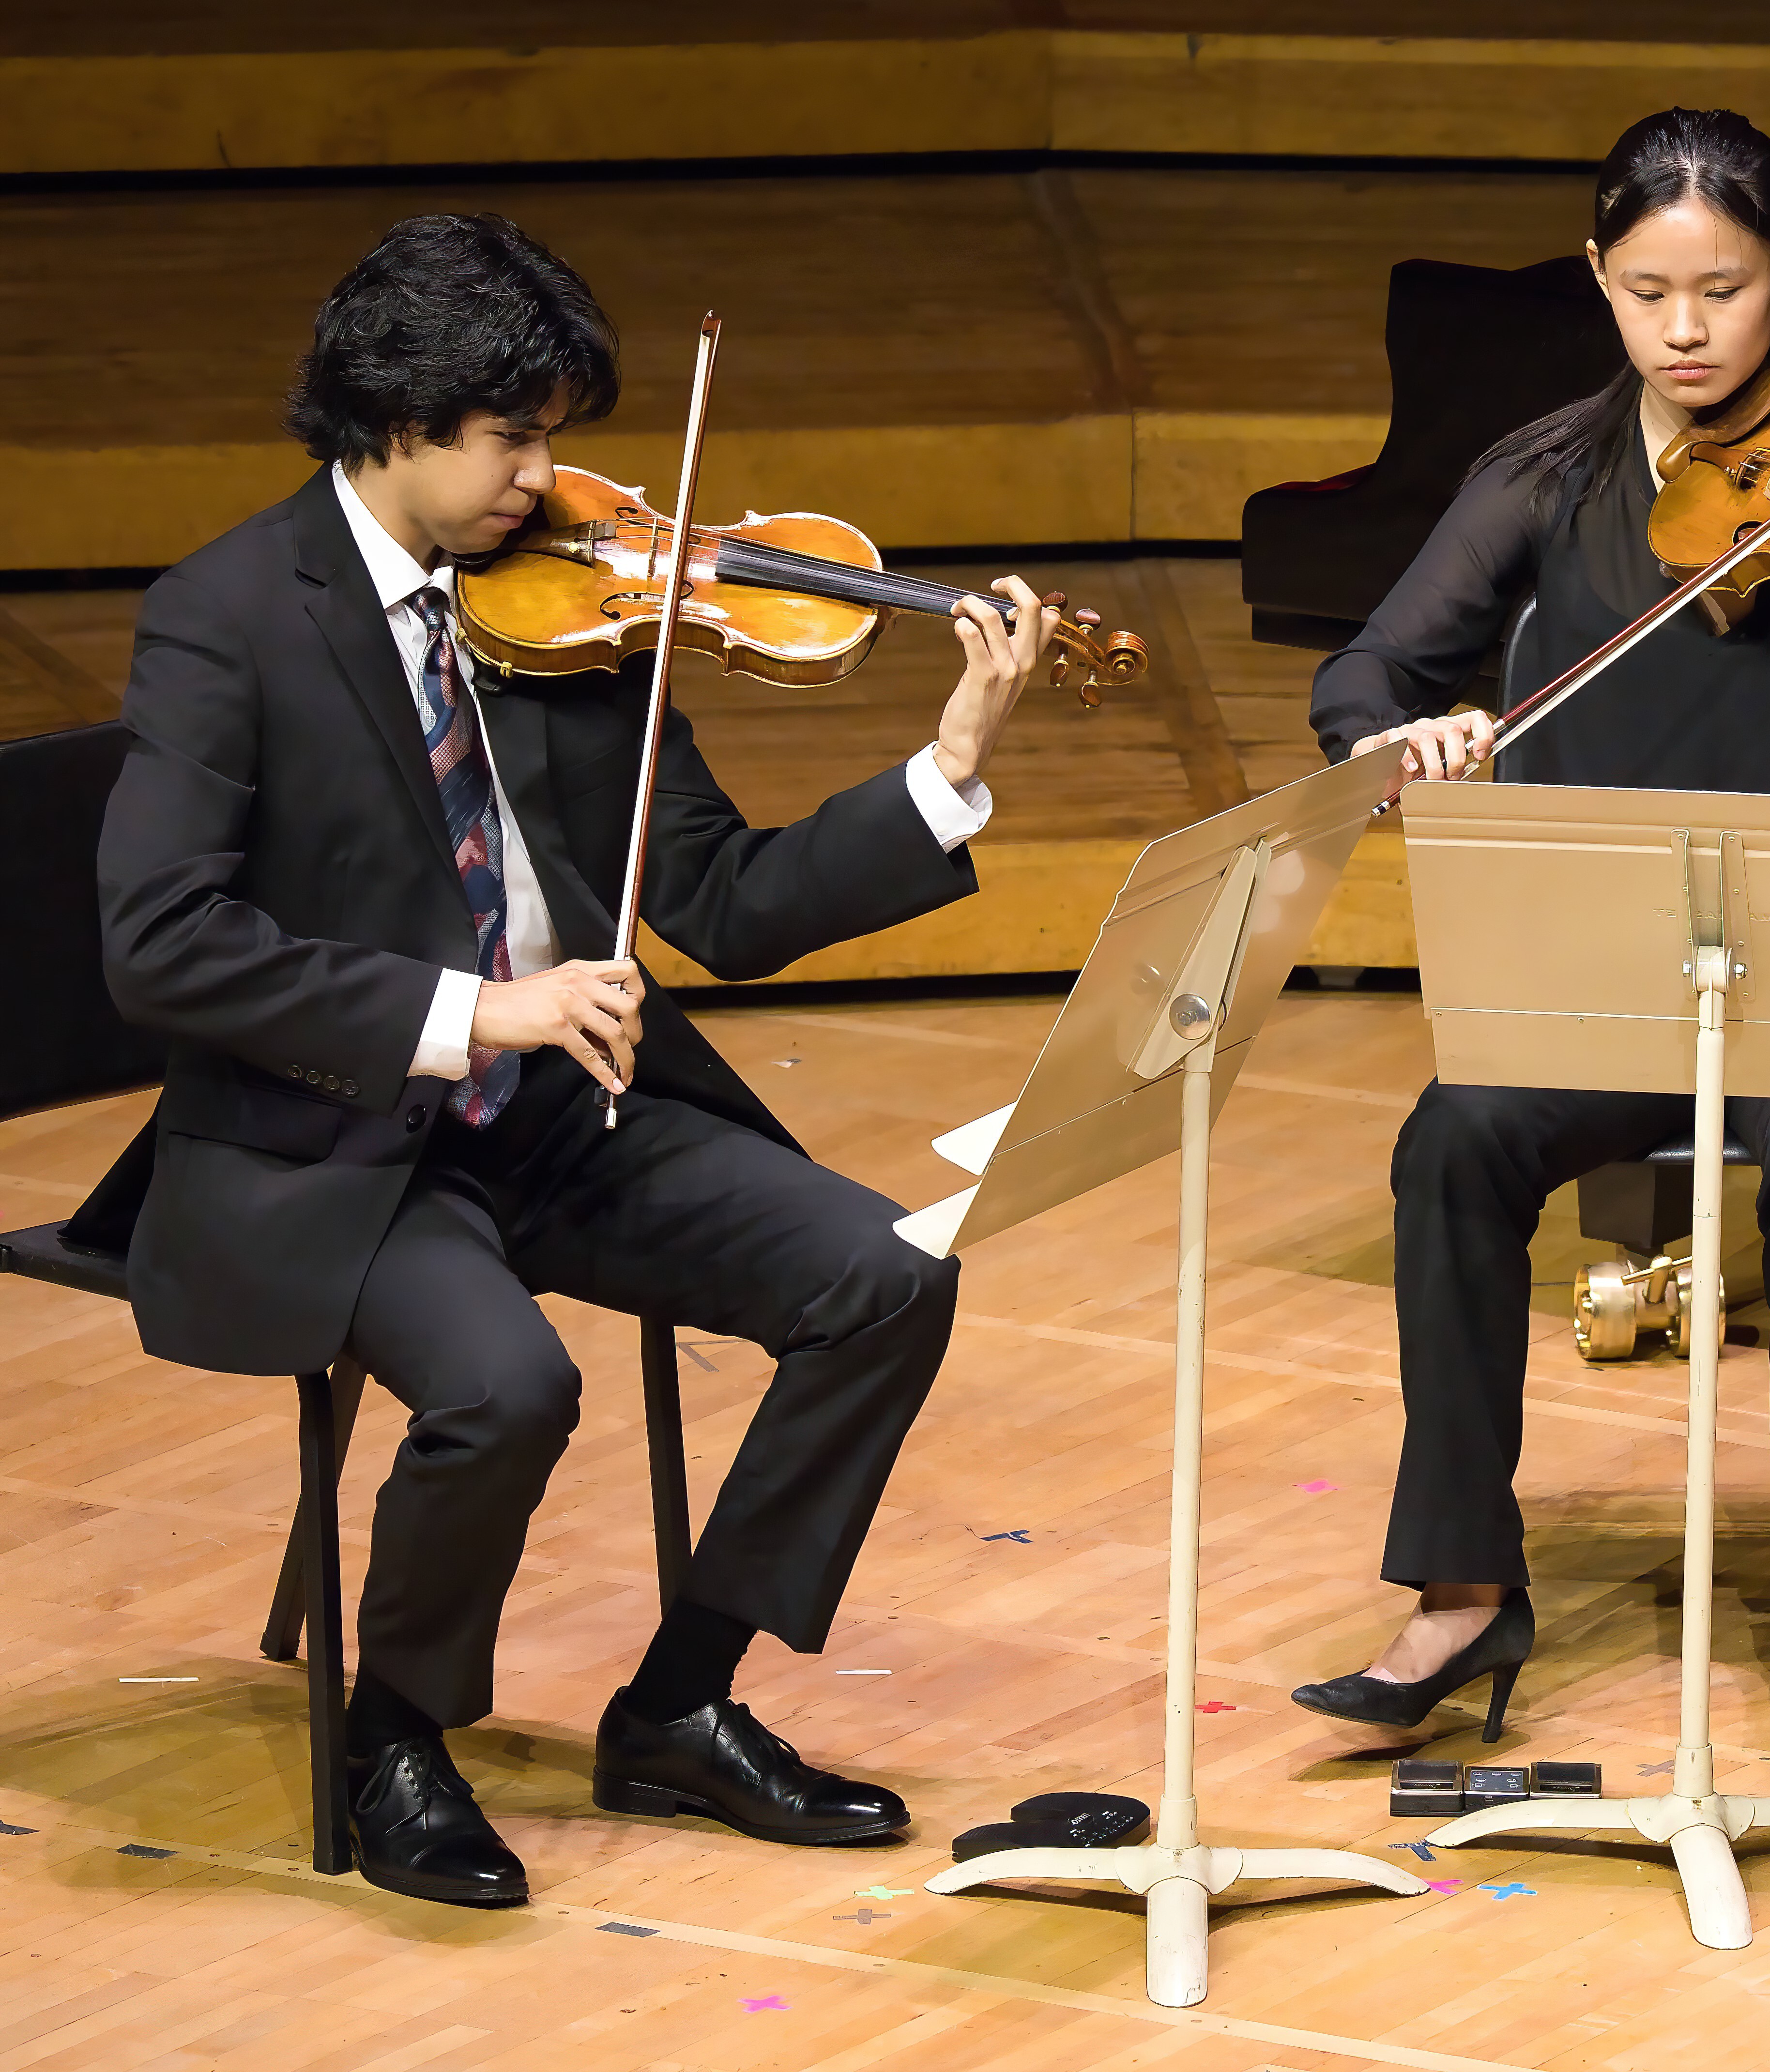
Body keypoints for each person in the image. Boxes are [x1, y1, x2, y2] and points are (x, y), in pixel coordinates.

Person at [94, 213, 1059, 1907]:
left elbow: (726, 902)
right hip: (337, 1144)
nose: (550, 478)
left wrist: (945, 767)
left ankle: (681, 1706)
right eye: (514, 436)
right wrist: (475, 1012)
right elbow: (160, 940)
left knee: (887, 1278)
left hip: (563, 1115)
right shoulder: (228, 617)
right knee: (508, 1387)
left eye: (552, 434)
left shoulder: (564, 610)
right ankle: (393, 1731)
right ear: (394, 419)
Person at [1284, 108, 1770, 1798]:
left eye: (1724, 291)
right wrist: (1416, 741)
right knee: (1450, 1143)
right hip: (1604, 983)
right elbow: (1363, 678)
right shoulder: (1543, 475)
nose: (1684, 332)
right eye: (1646, 291)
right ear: (1599, 285)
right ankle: (1461, 1588)